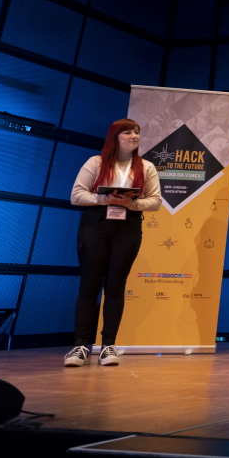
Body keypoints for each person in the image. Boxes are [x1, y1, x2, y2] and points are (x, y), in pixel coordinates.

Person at [64, 119, 162, 368]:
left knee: (116, 286)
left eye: (137, 133)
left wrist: (132, 204)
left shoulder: (146, 166)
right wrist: (103, 198)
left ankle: (109, 345)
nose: (134, 136)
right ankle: (80, 346)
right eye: (128, 132)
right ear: (115, 137)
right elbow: (76, 195)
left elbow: (156, 201)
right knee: (89, 285)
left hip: (128, 225)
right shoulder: (95, 163)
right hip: (95, 224)